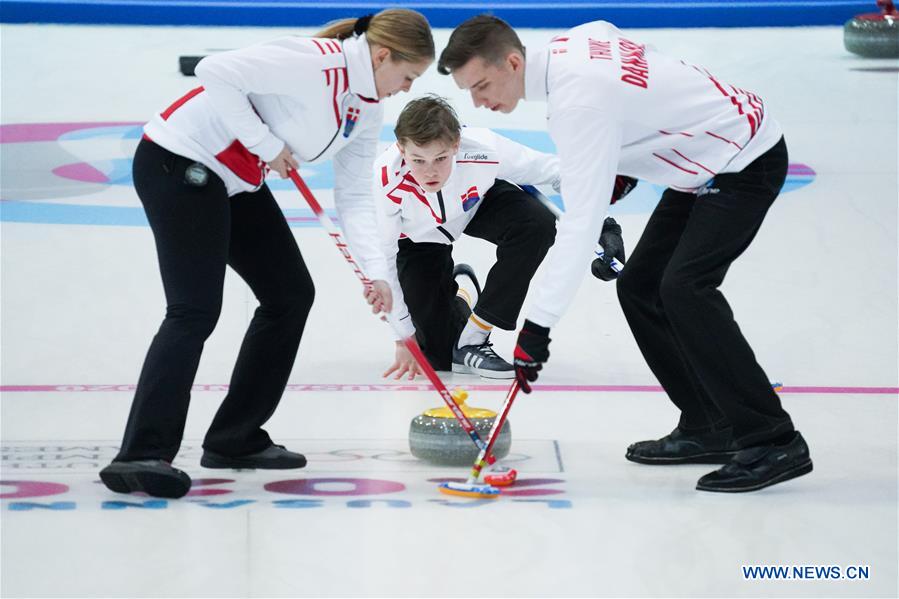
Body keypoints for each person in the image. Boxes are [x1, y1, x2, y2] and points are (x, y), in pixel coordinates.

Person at [437, 16, 811, 492]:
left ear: (512, 63)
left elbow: (580, 226)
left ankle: (773, 439)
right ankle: (708, 424)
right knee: (640, 286)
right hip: (703, 160)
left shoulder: (577, 107)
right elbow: (616, 39)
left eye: (482, 85)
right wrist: (627, 160)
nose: (477, 102)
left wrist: (537, 328)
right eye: (469, 91)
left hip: (743, 159)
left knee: (686, 289)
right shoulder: (575, 43)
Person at [99, 9, 434, 499]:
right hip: (178, 160)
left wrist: (375, 273)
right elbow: (215, 71)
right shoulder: (315, 61)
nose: (406, 88)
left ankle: (234, 438)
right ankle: (140, 454)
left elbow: (355, 197)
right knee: (194, 309)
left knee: (289, 294)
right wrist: (266, 144)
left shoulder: (365, 110)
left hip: (233, 179)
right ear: (382, 56)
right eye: (408, 76)